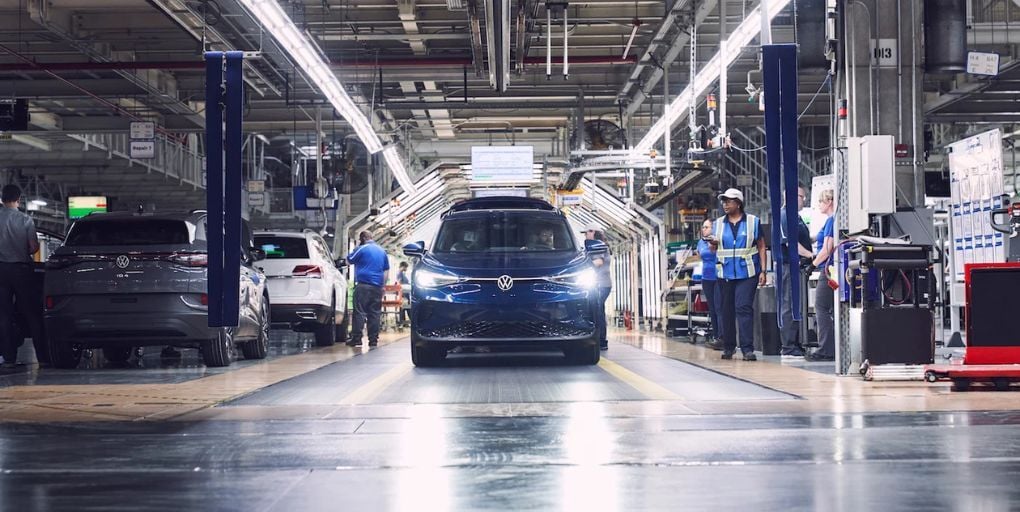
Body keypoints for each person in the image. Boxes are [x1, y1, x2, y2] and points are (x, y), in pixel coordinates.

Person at [708, 188, 767, 361]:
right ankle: (729, 347)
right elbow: (713, 250)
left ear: (738, 203)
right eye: (724, 201)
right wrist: (713, 243)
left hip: (748, 272)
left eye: (729, 201)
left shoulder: (753, 222)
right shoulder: (718, 224)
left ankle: (747, 349)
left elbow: (762, 246)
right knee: (726, 310)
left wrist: (763, 270)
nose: (725, 204)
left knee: (743, 308)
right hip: (725, 272)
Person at [0, 184, 45, 369]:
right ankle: (42, 356)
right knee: (32, 313)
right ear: (19, 199)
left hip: (1, 270)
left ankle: (8, 357)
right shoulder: (25, 219)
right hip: (21, 270)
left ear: (2, 199)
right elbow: (34, 247)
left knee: (3, 314)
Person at [777, 185, 815, 358]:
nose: (804, 200)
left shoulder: (796, 217)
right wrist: (812, 255)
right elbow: (791, 244)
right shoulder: (785, 216)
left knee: (796, 305)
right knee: (789, 305)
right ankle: (788, 346)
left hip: (798, 267)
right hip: (788, 266)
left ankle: (795, 343)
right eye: (802, 196)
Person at [806, 189, 837, 362]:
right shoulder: (830, 221)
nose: (819, 205)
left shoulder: (832, 221)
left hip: (829, 270)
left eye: (820, 201)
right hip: (830, 268)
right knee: (829, 308)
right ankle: (829, 346)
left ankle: (826, 349)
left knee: (821, 307)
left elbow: (827, 249)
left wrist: (813, 265)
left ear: (829, 201)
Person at [346, 230, 390, 348]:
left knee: (359, 312)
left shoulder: (362, 248)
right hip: (377, 287)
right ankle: (373, 340)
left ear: (362, 239)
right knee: (374, 313)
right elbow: (386, 270)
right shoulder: (382, 251)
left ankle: (357, 339)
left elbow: (349, 260)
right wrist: (383, 286)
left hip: (363, 286)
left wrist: (356, 248)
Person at [584, 223, 612, 351]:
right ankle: (599, 339)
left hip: (601, 284)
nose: (586, 235)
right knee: (598, 310)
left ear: (594, 232)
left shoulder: (598, 246)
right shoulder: (596, 246)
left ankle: (601, 340)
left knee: (598, 310)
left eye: (587, 232)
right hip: (601, 284)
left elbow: (599, 262)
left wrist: (582, 266)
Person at [697, 219, 723, 349]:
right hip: (706, 277)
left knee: (719, 307)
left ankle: (722, 337)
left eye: (707, 227)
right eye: (703, 227)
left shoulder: (718, 240)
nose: (704, 229)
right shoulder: (701, 242)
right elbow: (699, 255)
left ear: (713, 228)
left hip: (718, 276)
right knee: (712, 308)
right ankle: (716, 335)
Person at [396, 261, 411, 328]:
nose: (406, 269)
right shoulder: (400, 273)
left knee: (405, 308)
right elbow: (399, 283)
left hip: (405, 293)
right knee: (405, 308)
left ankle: (404, 322)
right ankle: (404, 322)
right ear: (403, 266)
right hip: (403, 293)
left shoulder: (401, 273)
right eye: (406, 267)